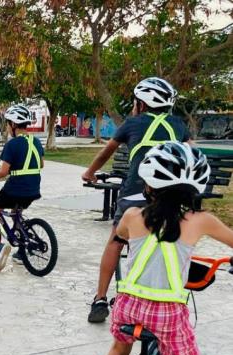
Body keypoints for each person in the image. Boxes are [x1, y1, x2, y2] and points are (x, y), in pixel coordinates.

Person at [87, 142, 232, 355]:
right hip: (167, 314)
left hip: (128, 306)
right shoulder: (202, 221)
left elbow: (122, 236)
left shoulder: (131, 216)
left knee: (118, 351)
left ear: (149, 186)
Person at [82, 77, 192, 323]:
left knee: (116, 241)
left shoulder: (133, 123)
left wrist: (88, 173)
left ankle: (100, 298)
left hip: (136, 193)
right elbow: (192, 154)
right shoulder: (179, 125)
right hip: (173, 196)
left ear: (141, 104)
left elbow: (105, 153)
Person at [0, 105, 44, 272]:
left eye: (8, 124)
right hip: (33, 189)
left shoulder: (12, 144)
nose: (7, 127)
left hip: (15, 188)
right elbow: (41, 164)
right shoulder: (35, 141)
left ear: (13, 125)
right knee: (16, 215)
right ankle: (21, 252)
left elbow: (4, 171)